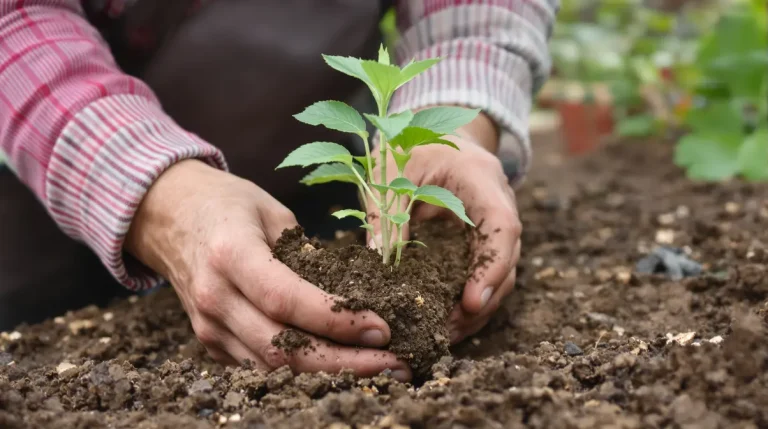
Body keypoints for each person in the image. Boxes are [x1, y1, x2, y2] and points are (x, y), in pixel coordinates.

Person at [0, 0, 557, 382]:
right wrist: (150, 190)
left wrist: (452, 126)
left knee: (291, 281)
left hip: (286, 198)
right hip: (32, 182)